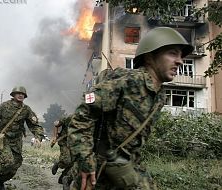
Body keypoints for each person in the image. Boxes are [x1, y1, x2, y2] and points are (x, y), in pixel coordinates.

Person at [68, 27, 194, 190]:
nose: (180, 61)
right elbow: (82, 115)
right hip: (96, 175)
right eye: (172, 53)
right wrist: (85, 160)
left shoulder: (159, 96)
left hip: (126, 168)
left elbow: (135, 143)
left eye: (181, 55)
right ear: (150, 57)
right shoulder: (127, 81)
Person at [0, 86, 44, 190]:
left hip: (17, 140)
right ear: (13, 95)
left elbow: (34, 125)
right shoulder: (3, 106)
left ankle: (1, 181)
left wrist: (38, 137)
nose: (21, 95)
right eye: (18, 93)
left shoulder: (26, 109)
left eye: (23, 94)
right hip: (4, 139)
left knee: (15, 166)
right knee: (8, 162)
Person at [51, 115, 74, 190]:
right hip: (64, 142)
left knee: (72, 163)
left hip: (75, 144)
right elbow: (56, 125)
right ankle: (58, 163)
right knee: (66, 160)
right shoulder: (69, 118)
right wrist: (54, 137)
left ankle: (63, 178)